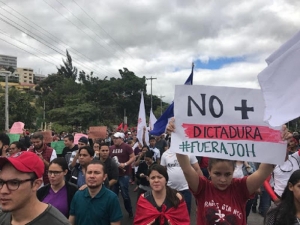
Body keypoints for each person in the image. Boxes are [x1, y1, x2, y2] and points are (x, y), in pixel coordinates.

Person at [167, 119, 291, 225]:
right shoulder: (202, 187)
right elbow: (187, 168)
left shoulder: (241, 188)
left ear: (234, 171)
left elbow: (264, 170)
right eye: (217, 173)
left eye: (228, 174)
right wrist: (177, 135)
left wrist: (279, 139)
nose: (223, 179)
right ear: (209, 171)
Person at [0, 151, 70, 224]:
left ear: (36, 184)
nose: (3, 191)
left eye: (14, 183)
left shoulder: (57, 223)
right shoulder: (3, 217)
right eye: (1, 182)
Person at [69, 161, 123, 225]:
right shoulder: (78, 195)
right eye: (89, 172)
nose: (92, 176)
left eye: (97, 173)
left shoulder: (112, 198)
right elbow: (71, 220)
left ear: (104, 177)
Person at [161, 146, 202, 215]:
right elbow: (162, 172)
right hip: (170, 190)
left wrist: (202, 188)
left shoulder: (189, 152)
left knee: (185, 214)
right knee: (170, 214)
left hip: (185, 189)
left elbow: (197, 169)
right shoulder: (165, 154)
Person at [110, 132, 135, 218]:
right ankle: (115, 213)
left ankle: (130, 211)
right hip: (114, 175)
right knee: (113, 195)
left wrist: (125, 164)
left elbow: (133, 157)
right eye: (114, 138)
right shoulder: (111, 148)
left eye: (116, 138)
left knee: (125, 195)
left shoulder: (127, 147)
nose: (115, 140)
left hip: (124, 174)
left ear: (121, 138)